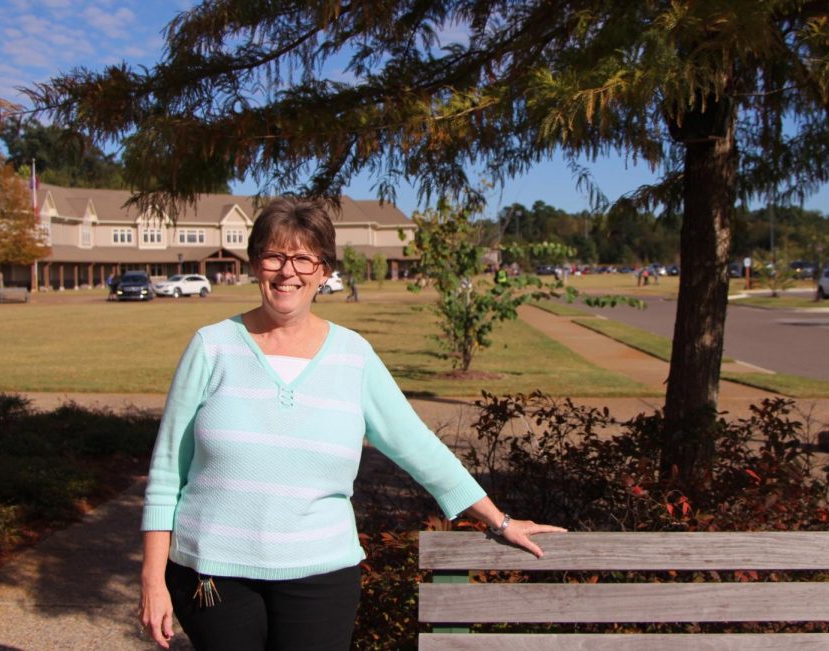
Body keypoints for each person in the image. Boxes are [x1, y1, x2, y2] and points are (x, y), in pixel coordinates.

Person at [138, 197, 565, 651]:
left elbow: (416, 444)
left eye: (304, 258)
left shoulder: (353, 355)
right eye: (275, 256)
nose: (288, 272)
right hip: (214, 575)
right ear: (255, 264)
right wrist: (152, 578)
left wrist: (498, 521)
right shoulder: (211, 347)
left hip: (322, 577)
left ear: (324, 271)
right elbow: (167, 473)